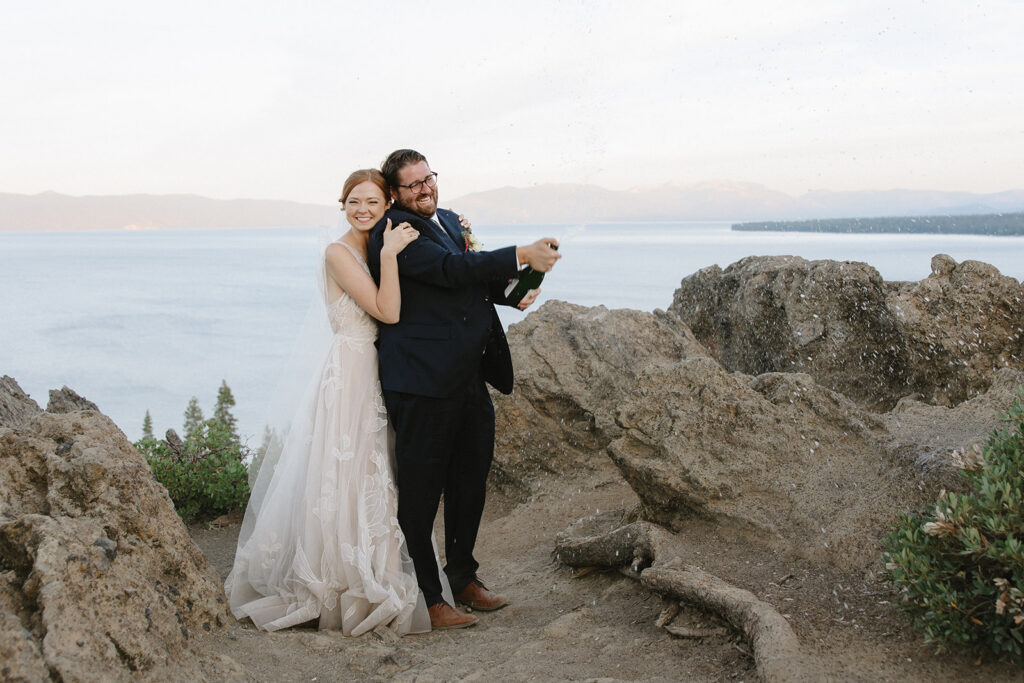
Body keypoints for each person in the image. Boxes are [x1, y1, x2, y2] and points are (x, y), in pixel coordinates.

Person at [225, 169, 451, 635]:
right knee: (353, 472)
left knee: (380, 475)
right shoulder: (339, 252)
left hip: (378, 369)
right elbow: (388, 311)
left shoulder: (377, 243)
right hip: (351, 372)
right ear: (343, 204)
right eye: (354, 202)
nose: (363, 210)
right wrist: (390, 254)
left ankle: (380, 564)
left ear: (388, 204)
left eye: (372, 201)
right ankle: (342, 579)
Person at [367, 149, 561, 630]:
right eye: (412, 185)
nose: (424, 189)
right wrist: (520, 252)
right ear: (395, 194)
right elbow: (450, 271)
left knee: (470, 481)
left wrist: (512, 290)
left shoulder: (452, 220)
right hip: (421, 382)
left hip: (468, 375)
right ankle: (430, 597)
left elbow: (470, 278)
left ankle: (463, 578)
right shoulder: (394, 233)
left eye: (428, 178)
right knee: (420, 493)